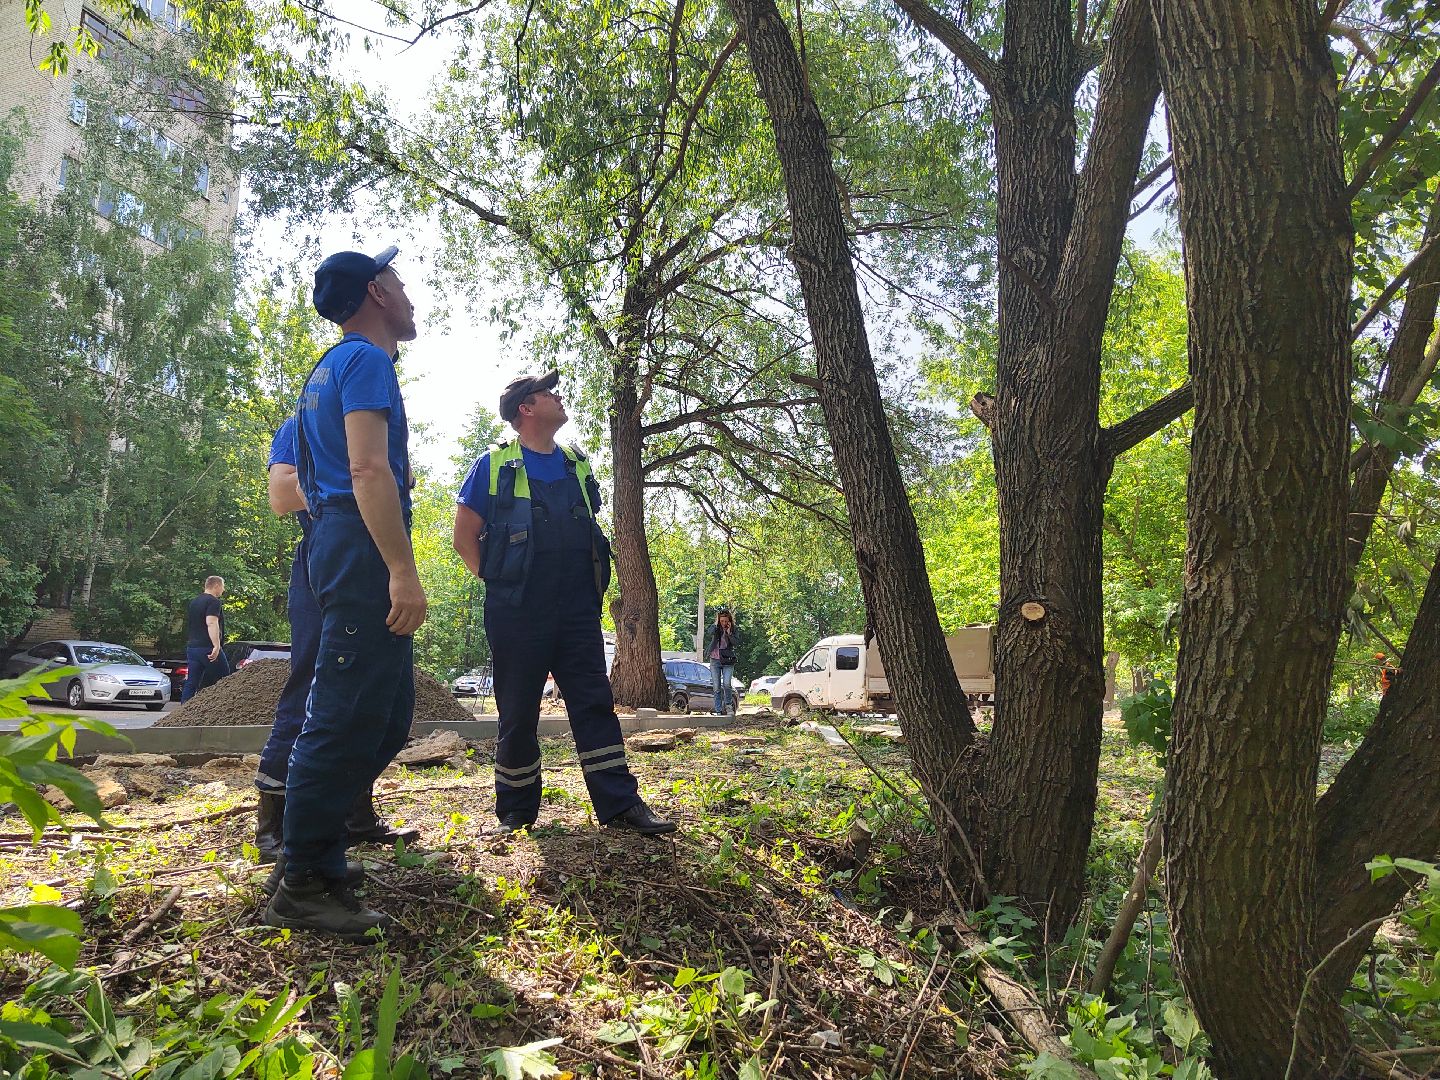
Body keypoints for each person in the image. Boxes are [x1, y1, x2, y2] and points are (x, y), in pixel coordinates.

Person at [262, 244, 426, 941]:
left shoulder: (327, 370)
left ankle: (319, 850)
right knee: (340, 714)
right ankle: (301, 880)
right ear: (376, 293)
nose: (409, 294)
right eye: (399, 281)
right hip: (358, 545)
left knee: (384, 717)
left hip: (339, 540)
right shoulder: (364, 362)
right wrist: (401, 569)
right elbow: (365, 469)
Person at [452, 370, 674, 837]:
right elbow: (463, 537)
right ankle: (515, 812)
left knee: (595, 705)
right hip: (517, 612)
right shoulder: (493, 465)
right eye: (547, 392)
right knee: (518, 711)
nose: (558, 396)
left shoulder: (577, 463)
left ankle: (620, 805)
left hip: (577, 611)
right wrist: (501, 583)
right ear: (526, 408)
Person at [253, 419, 417, 871]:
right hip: (327, 560)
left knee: (387, 698)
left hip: (379, 561)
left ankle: (352, 811)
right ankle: (275, 823)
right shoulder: (306, 423)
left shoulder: (378, 426)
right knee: (313, 690)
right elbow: (281, 494)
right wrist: (359, 472)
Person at [180, 577, 229, 702]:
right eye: (222, 586)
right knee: (226, 680)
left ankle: (183, 710)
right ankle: (224, 707)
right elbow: (211, 623)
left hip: (192, 647)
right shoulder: (214, 602)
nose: (223, 589)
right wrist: (216, 646)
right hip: (208, 648)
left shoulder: (194, 602)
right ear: (216, 586)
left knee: (192, 682)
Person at [706, 610, 738, 715]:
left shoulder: (733, 629)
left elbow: (736, 643)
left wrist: (729, 633)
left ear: (729, 621)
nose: (724, 623)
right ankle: (718, 710)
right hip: (714, 659)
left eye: (726, 621)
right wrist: (716, 624)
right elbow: (709, 632)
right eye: (722, 621)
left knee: (727, 684)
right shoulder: (716, 628)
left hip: (727, 660)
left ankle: (728, 706)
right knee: (716, 686)